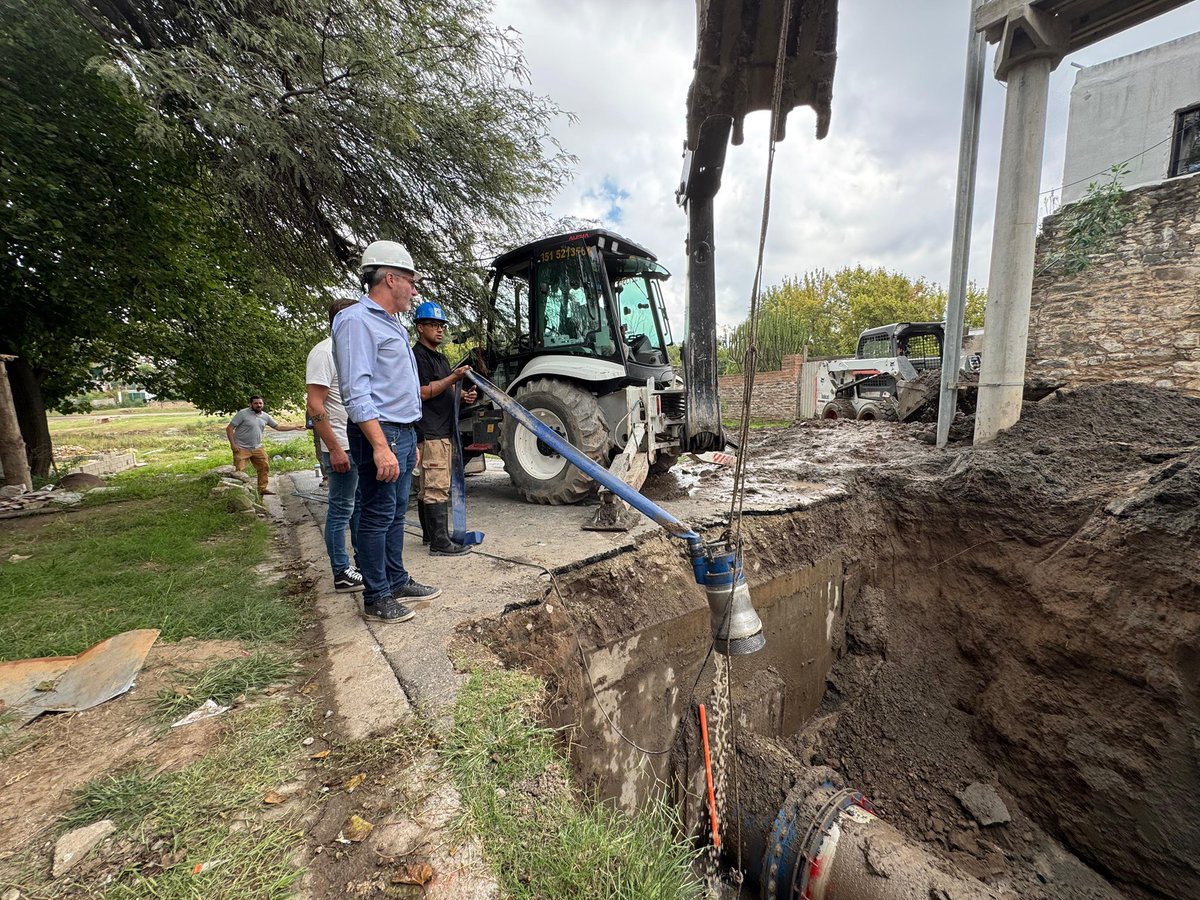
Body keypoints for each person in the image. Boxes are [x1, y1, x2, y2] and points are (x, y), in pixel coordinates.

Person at [332, 240, 440, 624]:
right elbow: (356, 391)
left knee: (395, 512)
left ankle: (395, 579)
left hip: (403, 431)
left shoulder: (389, 321)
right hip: (381, 432)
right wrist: (380, 446)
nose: (414, 290)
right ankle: (376, 595)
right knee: (376, 514)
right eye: (411, 282)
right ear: (390, 278)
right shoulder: (355, 321)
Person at [307, 297, 364, 594]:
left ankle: (361, 563)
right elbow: (314, 404)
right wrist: (335, 448)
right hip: (341, 446)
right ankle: (341, 571)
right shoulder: (324, 353)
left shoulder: (350, 352)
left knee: (357, 508)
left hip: (356, 443)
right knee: (341, 509)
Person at [411, 301, 475, 556]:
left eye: (441, 325)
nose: (439, 330)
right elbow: (422, 392)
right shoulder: (417, 357)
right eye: (433, 325)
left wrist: (461, 396)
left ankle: (431, 535)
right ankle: (440, 543)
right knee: (436, 485)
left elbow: (443, 390)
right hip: (431, 430)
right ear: (419, 328)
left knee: (428, 485)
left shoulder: (439, 357)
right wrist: (453, 378)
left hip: (441, 429)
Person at [226, 396, 304, 495]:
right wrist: (233, 444)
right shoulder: (242, 414)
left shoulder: (265, 416)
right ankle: (238, 492)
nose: (258, 405)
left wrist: (295, 427)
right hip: (241, 448)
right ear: (250, 404)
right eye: (256, 403)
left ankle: (262, 489)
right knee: (239, 471)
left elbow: (278, 427)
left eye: (260, 403)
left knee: (264, 467)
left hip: (257, 447)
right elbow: (229, 428)